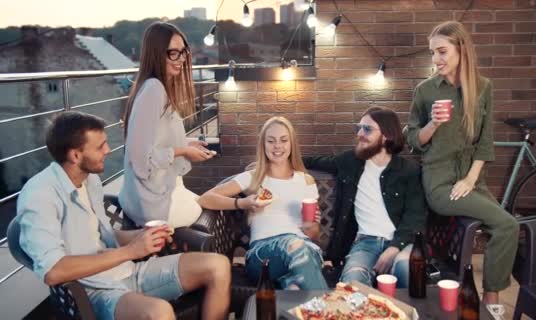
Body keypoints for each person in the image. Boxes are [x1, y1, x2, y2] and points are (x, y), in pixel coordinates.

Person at [16, 112, 230, 320]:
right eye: (100, 147)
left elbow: (101, 236)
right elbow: (53, 271)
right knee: (158, 312)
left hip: (128, 272)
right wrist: (131, 251)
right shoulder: (40, 195)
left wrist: (144, 236)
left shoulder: (90, 181)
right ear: (75, 155)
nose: (108, 150)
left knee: (218, 266)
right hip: (91, 291)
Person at [406, 20, 518, 316]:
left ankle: (491, 294)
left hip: (471, 180)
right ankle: (492, 301)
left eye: (442, 51)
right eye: (432, 53)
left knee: (504, 227)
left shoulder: (483, 87)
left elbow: (485, 140)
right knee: (508, 224)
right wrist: (433, 123)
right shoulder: (426, 90)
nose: (436, 59)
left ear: (461, 49)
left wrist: (470, 179)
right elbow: (413, 140)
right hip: (439, 184)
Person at [303, 106, 427, 288]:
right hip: (364, 243)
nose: (360, 133)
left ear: (386, 135)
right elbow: (312, 161)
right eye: (358, 128)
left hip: (402, 242)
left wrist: (394, 248)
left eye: (367, 129)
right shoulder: (350, 162)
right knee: (352, 282)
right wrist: (270, 162)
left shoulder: (408, 171)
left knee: (406, 268)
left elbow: (415, 216)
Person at [199, 116, 328, 290]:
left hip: (304, 248)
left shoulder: (306, 181)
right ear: (263, 145)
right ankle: (328, 309)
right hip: (263, 256)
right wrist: (243, 203)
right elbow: (206, 198)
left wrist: (310, 226)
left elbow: (313, 235)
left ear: (292, 144)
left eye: (284, 140)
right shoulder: (253, 177)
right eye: (271, 141)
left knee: (294, 287)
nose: (278, 146)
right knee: (295, 246)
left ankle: (291, 287)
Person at [119, 22, 215, 228]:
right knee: (211, 207)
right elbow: (140, 160)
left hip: (161, 192)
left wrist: (188, 145)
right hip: (151, 204)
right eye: (173, 53)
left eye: (183, 52)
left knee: (212, 201)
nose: (181, 59)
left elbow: (155, 140)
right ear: (156, 54)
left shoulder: (157, 87)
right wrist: (183, 151)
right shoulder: (153, 89)